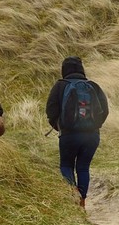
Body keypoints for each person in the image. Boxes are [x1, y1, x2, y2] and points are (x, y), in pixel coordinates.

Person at [45, 55, 109, 208]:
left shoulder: (60, 86)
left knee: (66, 165)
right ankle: (82, 202)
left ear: (63, 69)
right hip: (92, 136)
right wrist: (94, 126)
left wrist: (60, 127)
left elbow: (51, 110)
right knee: (83, 167)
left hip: (69, 135)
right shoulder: (93, 85)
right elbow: (105, 110)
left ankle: (73, 192)